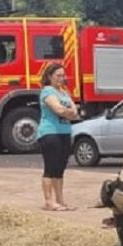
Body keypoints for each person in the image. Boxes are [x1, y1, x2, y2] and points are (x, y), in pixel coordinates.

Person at [38, 64, 79, 211]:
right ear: (50, 76)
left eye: (63, 76)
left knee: (60, 168)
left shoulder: (63, 92)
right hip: (50, 132)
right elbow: (57, 109)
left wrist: (67, 111)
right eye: (58, 76)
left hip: (64, 131)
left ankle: (60, 200)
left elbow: (75, 111)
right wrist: (67, 111)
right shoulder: (47, 91)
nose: (61, 79)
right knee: (51, 166)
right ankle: (49, 201)